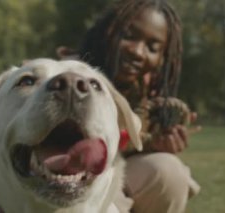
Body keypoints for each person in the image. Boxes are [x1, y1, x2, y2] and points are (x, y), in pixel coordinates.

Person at [58, 0, 200, 212]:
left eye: (152, 47)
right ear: (107, 30)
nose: (138, 52)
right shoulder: (69, 79)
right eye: (129, 36)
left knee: (169, 172)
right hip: (65, 181)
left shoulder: (146, 92)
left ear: (163, 57)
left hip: (113, 176)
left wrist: (154, 145)